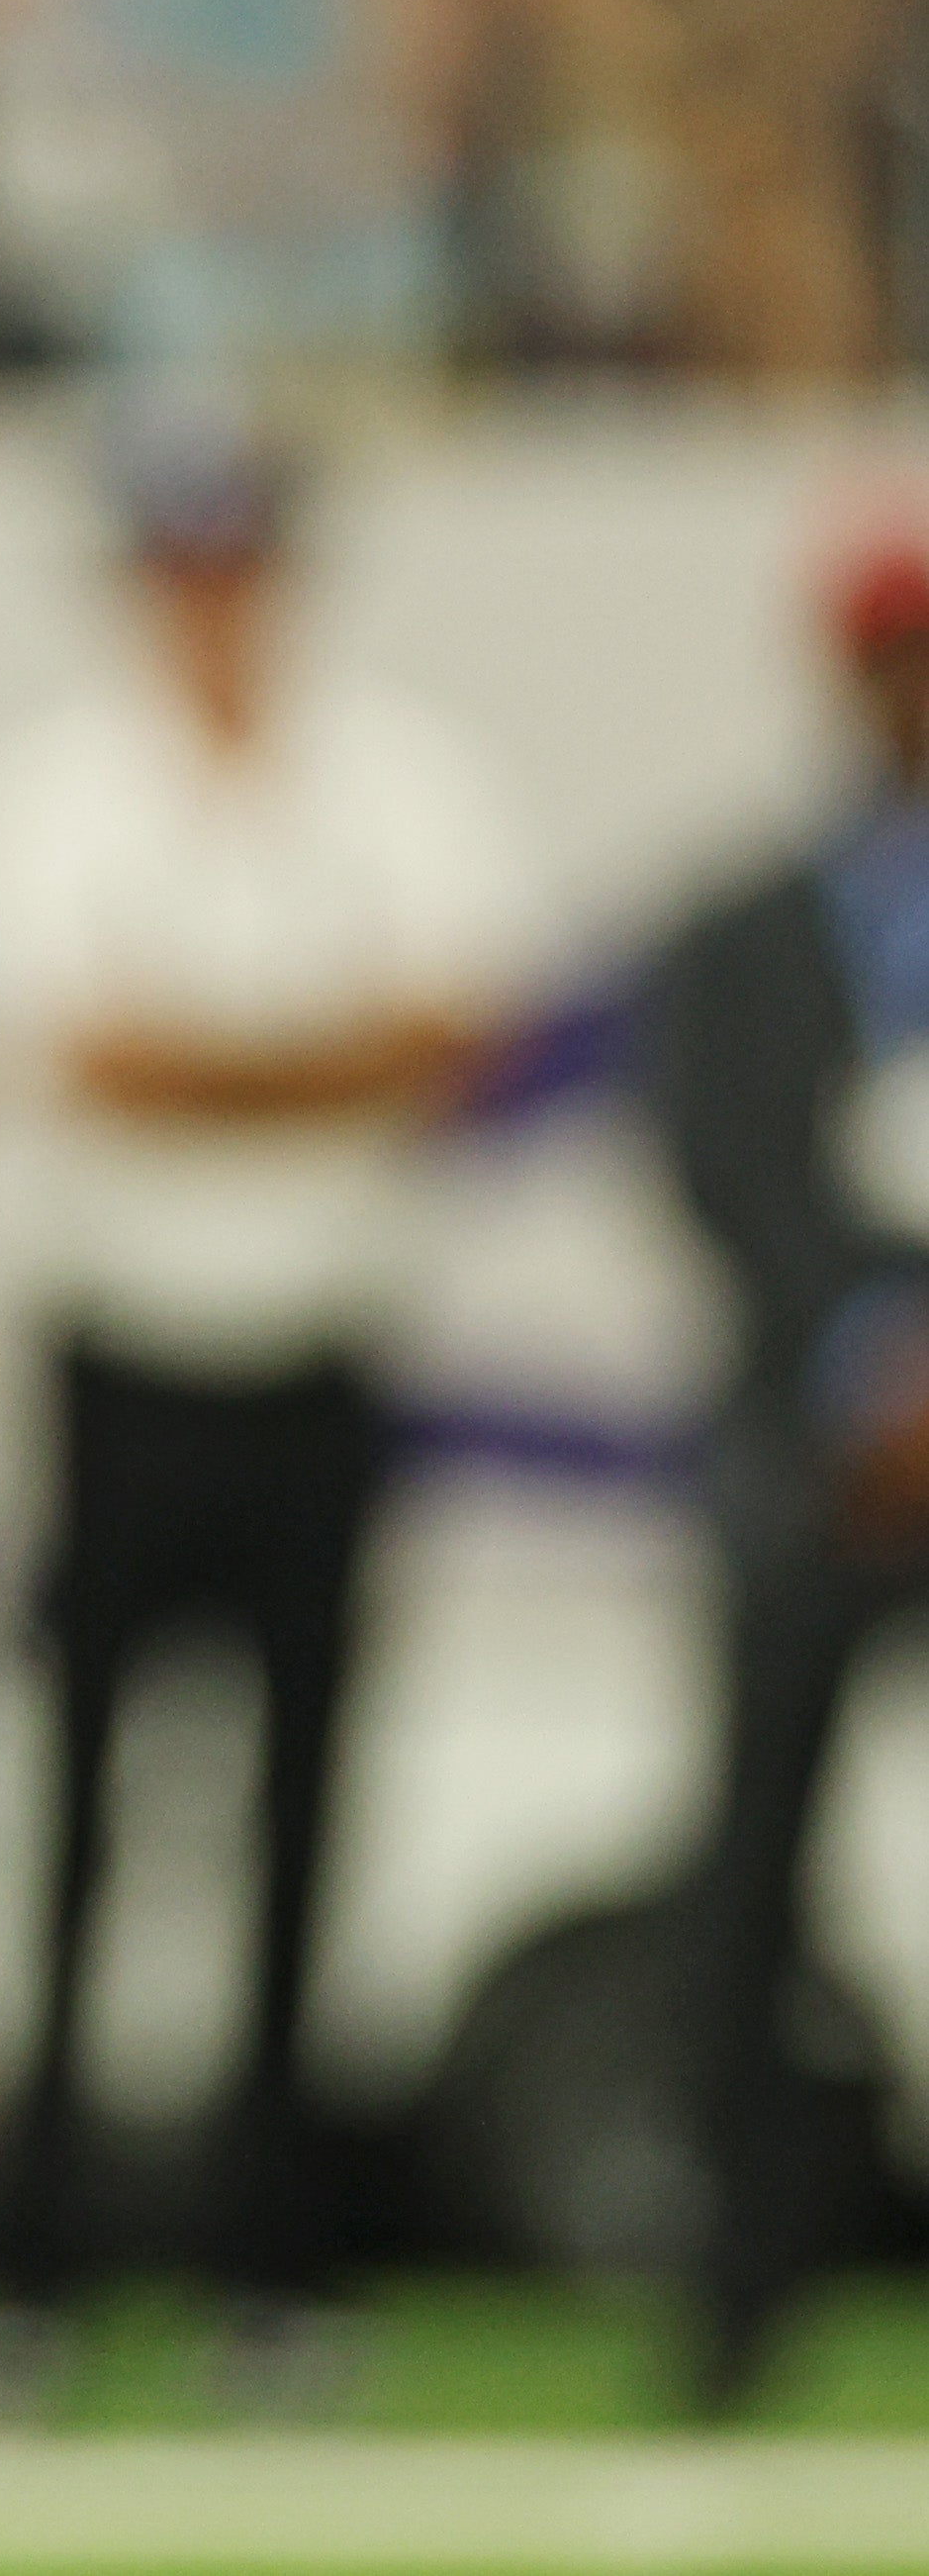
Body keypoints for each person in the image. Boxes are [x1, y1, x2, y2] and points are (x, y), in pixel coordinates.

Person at [0, 440, 530, 2307]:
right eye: (182, 563)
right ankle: (34, 2251)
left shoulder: (395, 766)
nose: (212, 596)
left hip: (317, 1358)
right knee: (77, 1816)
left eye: (238, 561)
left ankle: (274, 2266)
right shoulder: (56, 787)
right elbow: (88, 1057)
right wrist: (318, 1063)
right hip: (118, 1358)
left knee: (305, 1818)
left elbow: (460, 1035)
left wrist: (220, 1073)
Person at [642, 524, 929, 2414]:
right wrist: (869, 1361)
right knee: (746, 1872)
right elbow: (728, 1168)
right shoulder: (743, 924)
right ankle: (732, 2296)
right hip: (812, 1452)